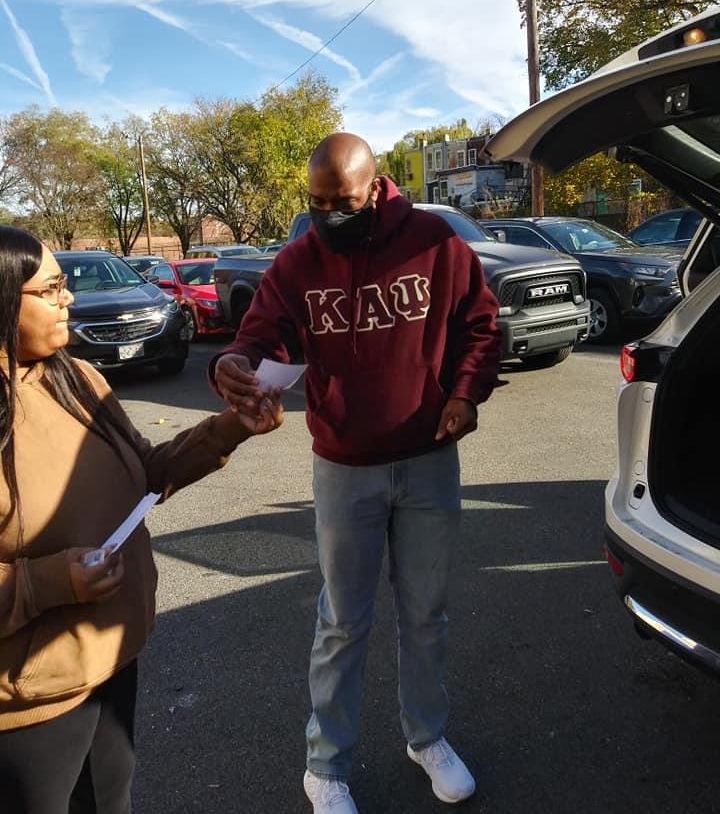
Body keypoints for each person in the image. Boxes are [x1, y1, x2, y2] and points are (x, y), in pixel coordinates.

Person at [212, 132, 501, 813]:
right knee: (343, 620)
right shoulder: (297, 263)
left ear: (378, 188)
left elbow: (481, 327)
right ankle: (326, 766)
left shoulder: (435, 244)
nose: (328, 215)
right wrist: (238, 361)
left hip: (428, 459)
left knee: (426, 613)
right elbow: (262, 335)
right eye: (316, 203)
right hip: (345, 468)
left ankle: (426, 737)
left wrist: (465, 392)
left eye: (341, 201)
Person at [0, 226, 283, 814]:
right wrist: (53, 581)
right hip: (31, 700)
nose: (68, 299)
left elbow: (145, 476)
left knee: (113, 801)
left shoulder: (76, 377)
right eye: (51, 289)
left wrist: (231, 426)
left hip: (110, 655)